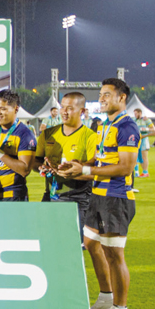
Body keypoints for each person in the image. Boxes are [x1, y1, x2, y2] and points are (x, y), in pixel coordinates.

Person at [61, 78, 140, 309]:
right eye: (101, 94)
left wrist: (86, 169)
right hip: (99, 196)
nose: (103, 98)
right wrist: (72, 170)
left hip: (116, 199)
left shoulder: (127, 127)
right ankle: (106, 298)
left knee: (115, 254)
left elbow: (126, 166)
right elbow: (99, 164)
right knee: (91, 243)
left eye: (108, 94)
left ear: (122, 98)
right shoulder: (106, 126)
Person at [34, 92, 97, 243]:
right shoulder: (48, 134)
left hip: (78, 198)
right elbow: (35, 162)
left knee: (73, 246)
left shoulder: (90, 136)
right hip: (50, 196)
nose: (64, 111)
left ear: (82, 111)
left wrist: (71, 173)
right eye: (62, 107)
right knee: (46, 243)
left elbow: (95, 172)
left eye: (69, 108)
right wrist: (43, 168)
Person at [0, 89, 36, 201]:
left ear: (16, 109)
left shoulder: (25, 134)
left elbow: (24, 170)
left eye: (3, 109)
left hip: (14, 196)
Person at [132, 108, 154, 178]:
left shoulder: (146, 120)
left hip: (144, 139)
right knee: (136, 157)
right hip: (136, 140)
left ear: (140, 113)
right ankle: (137, 172)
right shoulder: (133, 120)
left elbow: (153, 129)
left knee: (144, 156)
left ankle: (145, 172)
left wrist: (146, 129)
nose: (135, 115)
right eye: (134, 114)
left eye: (136, 114)